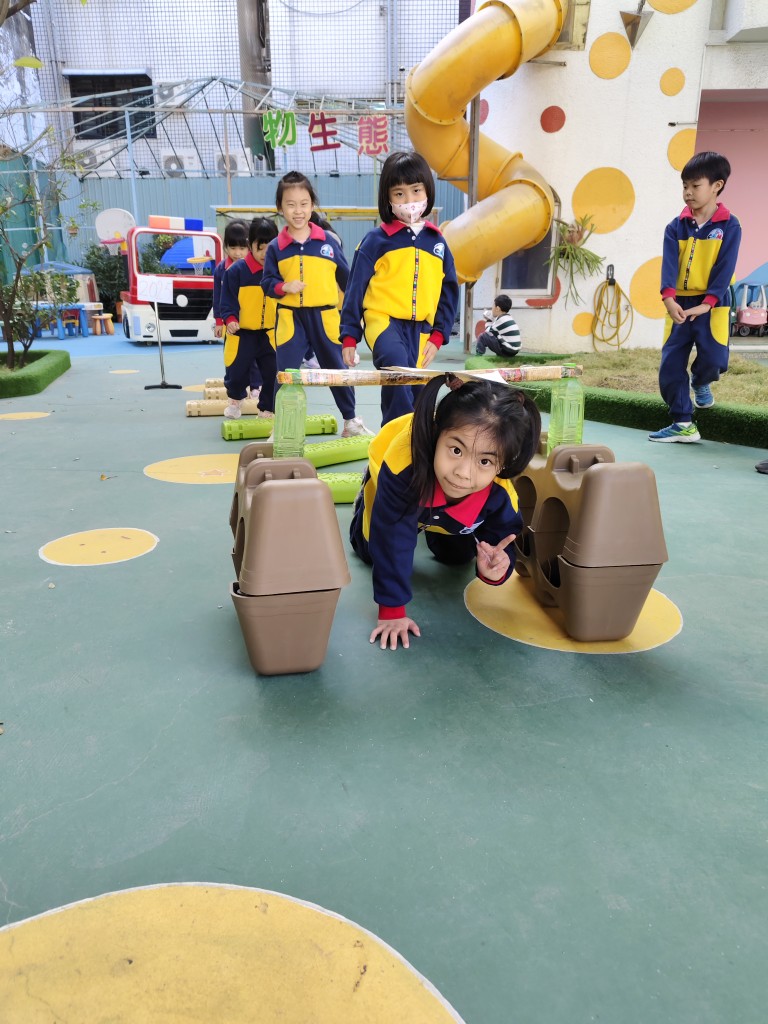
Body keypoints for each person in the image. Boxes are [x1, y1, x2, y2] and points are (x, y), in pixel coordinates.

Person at [350, 374, 541, 650]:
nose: (463, 473)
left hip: (442, 504)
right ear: (437, 434)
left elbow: (502, 542)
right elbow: (392, 538)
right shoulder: (402, 468)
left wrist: (497, 567)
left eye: (485, 461)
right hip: (405, 487)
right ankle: (364, 499)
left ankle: (436, 522)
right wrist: (392, 611)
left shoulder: (500, 495)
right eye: (456, 450)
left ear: (501, 466)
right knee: (370, 550)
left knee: (458, 556)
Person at [340, 150, 459, 425]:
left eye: (416, 190)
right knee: (397, 368)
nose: (409, 201)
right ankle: (399, 437)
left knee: (417, 390)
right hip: (383, 321)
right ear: (388, 198)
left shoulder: (438, 243)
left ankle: (409, 438)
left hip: (421, 330)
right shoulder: (375, 241)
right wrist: (349, 336)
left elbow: (449, 291)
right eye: (399, 194)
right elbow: (355, 290)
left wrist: (438, 335)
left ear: (427, 191)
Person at [261, 171, 372, 437]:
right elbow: (267, 283)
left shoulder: (328, 243)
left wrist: (359, 313)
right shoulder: (276, 247)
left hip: (326, 317)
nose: (297, 211)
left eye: (303, 203)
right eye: (290, 204)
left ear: (312, 205)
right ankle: (281, 426)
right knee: (286, 373)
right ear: (280, 208)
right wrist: (283, 287)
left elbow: (348, 281)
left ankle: (351, 421)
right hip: (290, 319)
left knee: (338, 371)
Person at [649, 151, 742, 443]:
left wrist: (708, 302)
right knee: (670, 364)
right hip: (679, 304)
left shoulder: (730, 225)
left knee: (714, 358)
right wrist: (668, 298)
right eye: (684, 186)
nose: (688, 192)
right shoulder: (675, 226)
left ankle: (701, 382)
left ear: (717, 186)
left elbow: (726, 267)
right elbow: (668, 265)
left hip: (713, 304)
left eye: (695, 185)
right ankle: (683, 423)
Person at [220, 217, 279, 420]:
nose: (264, 254)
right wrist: (230, 318)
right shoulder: (236, 272)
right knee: (236, 371)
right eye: (259, 248)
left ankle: (267, 408)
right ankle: (235, 400)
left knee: (273, 372)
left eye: (269, 248)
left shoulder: (279, 271)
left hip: (269, 333)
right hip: (242, 332)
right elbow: (227, 300)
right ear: (250, 244)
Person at [213, 219, 263, 400]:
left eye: (242, 248)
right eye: (232, 248)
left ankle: (256, 386)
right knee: (232, 356)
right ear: (225, 246)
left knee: (254, 356)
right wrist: (219, 321)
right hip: (231, 322)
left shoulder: (255, 268)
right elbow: (218, 296)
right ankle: (235, 389)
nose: (237, 253)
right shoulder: (221, 269)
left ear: (249, 246)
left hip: (251, 321)